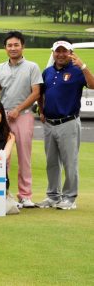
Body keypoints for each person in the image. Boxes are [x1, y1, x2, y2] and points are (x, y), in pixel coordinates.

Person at [36, 39, 94, 210]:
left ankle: (69, 198)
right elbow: (41, 94)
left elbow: (92, 85)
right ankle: (53, 196)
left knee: (70, 163)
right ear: (53, 53)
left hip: (68, 122)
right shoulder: (47, 72)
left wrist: (83, 66)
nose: (61, 54)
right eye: (58, 51)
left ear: (70, 53)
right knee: (51, 162)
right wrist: (41, 111)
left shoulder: (77, 71)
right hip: (49, 123)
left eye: (64, 51)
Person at [0, 30, 42, 208]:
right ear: (5, 48)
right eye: (9, 45)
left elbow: (36, 93)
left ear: (22, 46)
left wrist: (18, 109)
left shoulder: (32, 67)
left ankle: (25, 195)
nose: (13, 48)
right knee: (3, 156)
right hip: (3, 117)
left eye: (16, 45)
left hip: (24, 115)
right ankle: (3, 192)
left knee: (24, 156)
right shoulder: (0, 68)